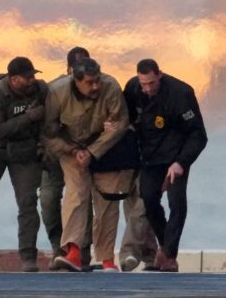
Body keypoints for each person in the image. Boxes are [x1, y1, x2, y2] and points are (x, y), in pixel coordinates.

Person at [44, 57, 129, 272]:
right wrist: (73, 150)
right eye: (90, 82)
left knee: (108, 200)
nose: (96, 86)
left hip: (105, 147)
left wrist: (93, 151)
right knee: (76, 194)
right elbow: (47, 134)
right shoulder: (56, 92)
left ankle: (107, 259)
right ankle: (73, 251)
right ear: (76, 79)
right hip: (71, 149)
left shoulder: (110, 87)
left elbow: (120, 123)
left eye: (97, 80)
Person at [123, 59, 207, 273]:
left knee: (176, 203)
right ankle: (165, 246)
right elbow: (127, 117)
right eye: (144, 84)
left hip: (177, 156)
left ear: (159, 74)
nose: (148, 88)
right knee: (149, 199)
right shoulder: (133, 88)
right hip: (151, 156)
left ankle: (169, 255)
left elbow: (198, 134)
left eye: (152, 82)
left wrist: (181, 162)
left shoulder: (181, 93)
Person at [0, 57, 47, 272]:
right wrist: (28, 118)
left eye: (34, 75)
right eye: (27, 77)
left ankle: (28, 257)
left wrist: (42, 145)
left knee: (28, 203)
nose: (33, 80)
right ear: (13, 79)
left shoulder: (40, 90)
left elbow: (47, 122)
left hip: (24, 151)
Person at [40, 46, 93, 269]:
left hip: (82, 153)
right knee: (49, 199)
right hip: (56, 153)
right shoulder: (55, 90)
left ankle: (81, 251)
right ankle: (58, 247)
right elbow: (44, 126)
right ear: (68, 69)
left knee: (81, 199)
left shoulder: (96, 89)